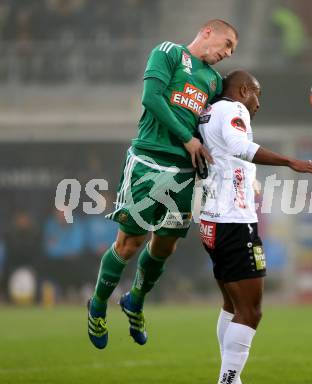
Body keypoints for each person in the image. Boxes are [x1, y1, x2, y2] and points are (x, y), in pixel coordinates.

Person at [87, 19, 239, 350]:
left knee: (165, 246)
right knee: (130, 243)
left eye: (232, 51)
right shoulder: (168, 52)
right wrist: (186, 138)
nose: (227, 53)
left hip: (184, 174)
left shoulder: (213, 82)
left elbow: (209, 130)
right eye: (227, 44)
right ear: (207, 32)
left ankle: (135, 301)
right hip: (148, 163)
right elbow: (151, 98)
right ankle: (97, 305)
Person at [198, 70, 312, 384]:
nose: (258, 103)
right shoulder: (234, 109)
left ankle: (230, 380)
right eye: (257, 94)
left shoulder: (207, 112)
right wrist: (290, 162)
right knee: (251, 310)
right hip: (233, 222)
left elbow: (226, 156)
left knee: (232, 306)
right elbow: (240, 146)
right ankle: (228, 381)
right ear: (244, 90)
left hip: (213, 219)